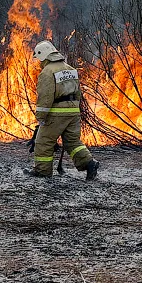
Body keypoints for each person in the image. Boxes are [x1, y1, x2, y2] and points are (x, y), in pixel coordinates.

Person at [23, 40, 100, 181]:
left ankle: (42, 171)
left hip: (56, 113)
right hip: (73, 111)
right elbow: (78, 92)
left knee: (44, 141)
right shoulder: (70, 69)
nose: (39, 62)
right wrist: (74, 110)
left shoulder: (47, 72)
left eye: (39, 59)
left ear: (43, 55)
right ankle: (89, 163)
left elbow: (46, 97)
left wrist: (41, 116)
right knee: (72, 142)